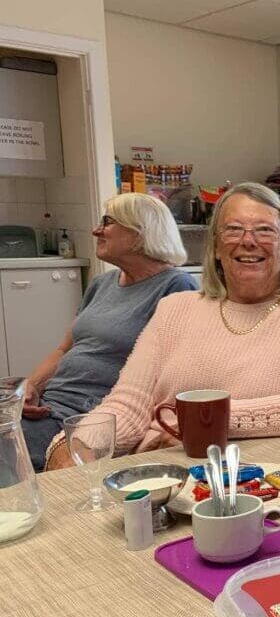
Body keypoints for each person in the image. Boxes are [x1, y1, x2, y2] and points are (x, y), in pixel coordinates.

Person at [45, 182, 280, 468]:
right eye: (233, 229)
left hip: (265, 483)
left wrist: (204, 424)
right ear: (215, 248)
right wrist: (74, 443)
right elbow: (129, 403)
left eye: (265, 230)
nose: (248, 241)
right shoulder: (174, 309)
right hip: (165, 476)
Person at [22, 193, 197, 471]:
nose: (96, 230)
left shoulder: (176, 287)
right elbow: (64, 348)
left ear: (141, 231)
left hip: (88, 417)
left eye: (107, 221)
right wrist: (29, 387)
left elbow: (174, 375)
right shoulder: (101, 283)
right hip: (49, 406)